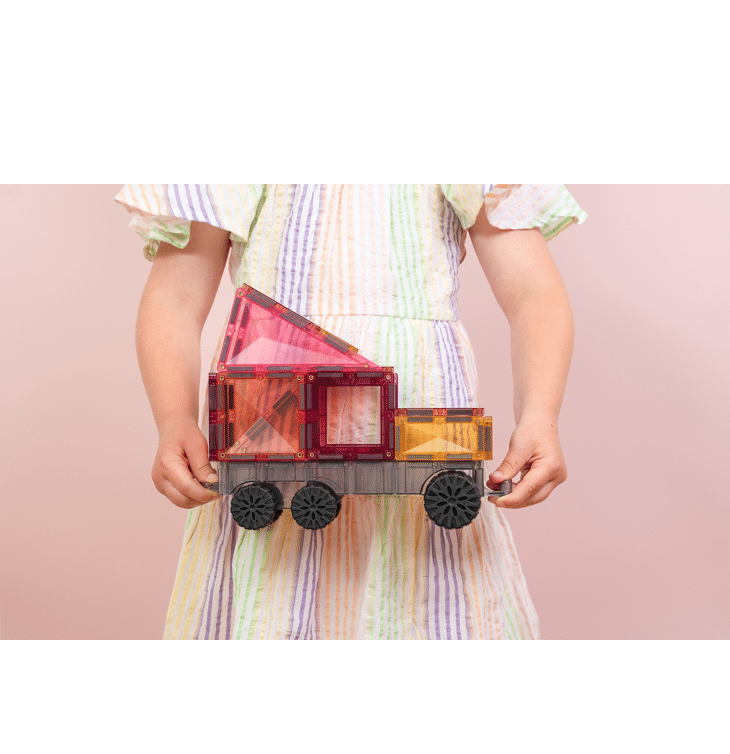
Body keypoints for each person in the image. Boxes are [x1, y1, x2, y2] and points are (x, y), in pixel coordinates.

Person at [118, 184, 587, 640]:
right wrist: (175, 418)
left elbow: (533, 292)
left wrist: (539, 414)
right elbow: (174, 299)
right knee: (276, 601)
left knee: (432, 602)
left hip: (412, 415)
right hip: (274, 416)